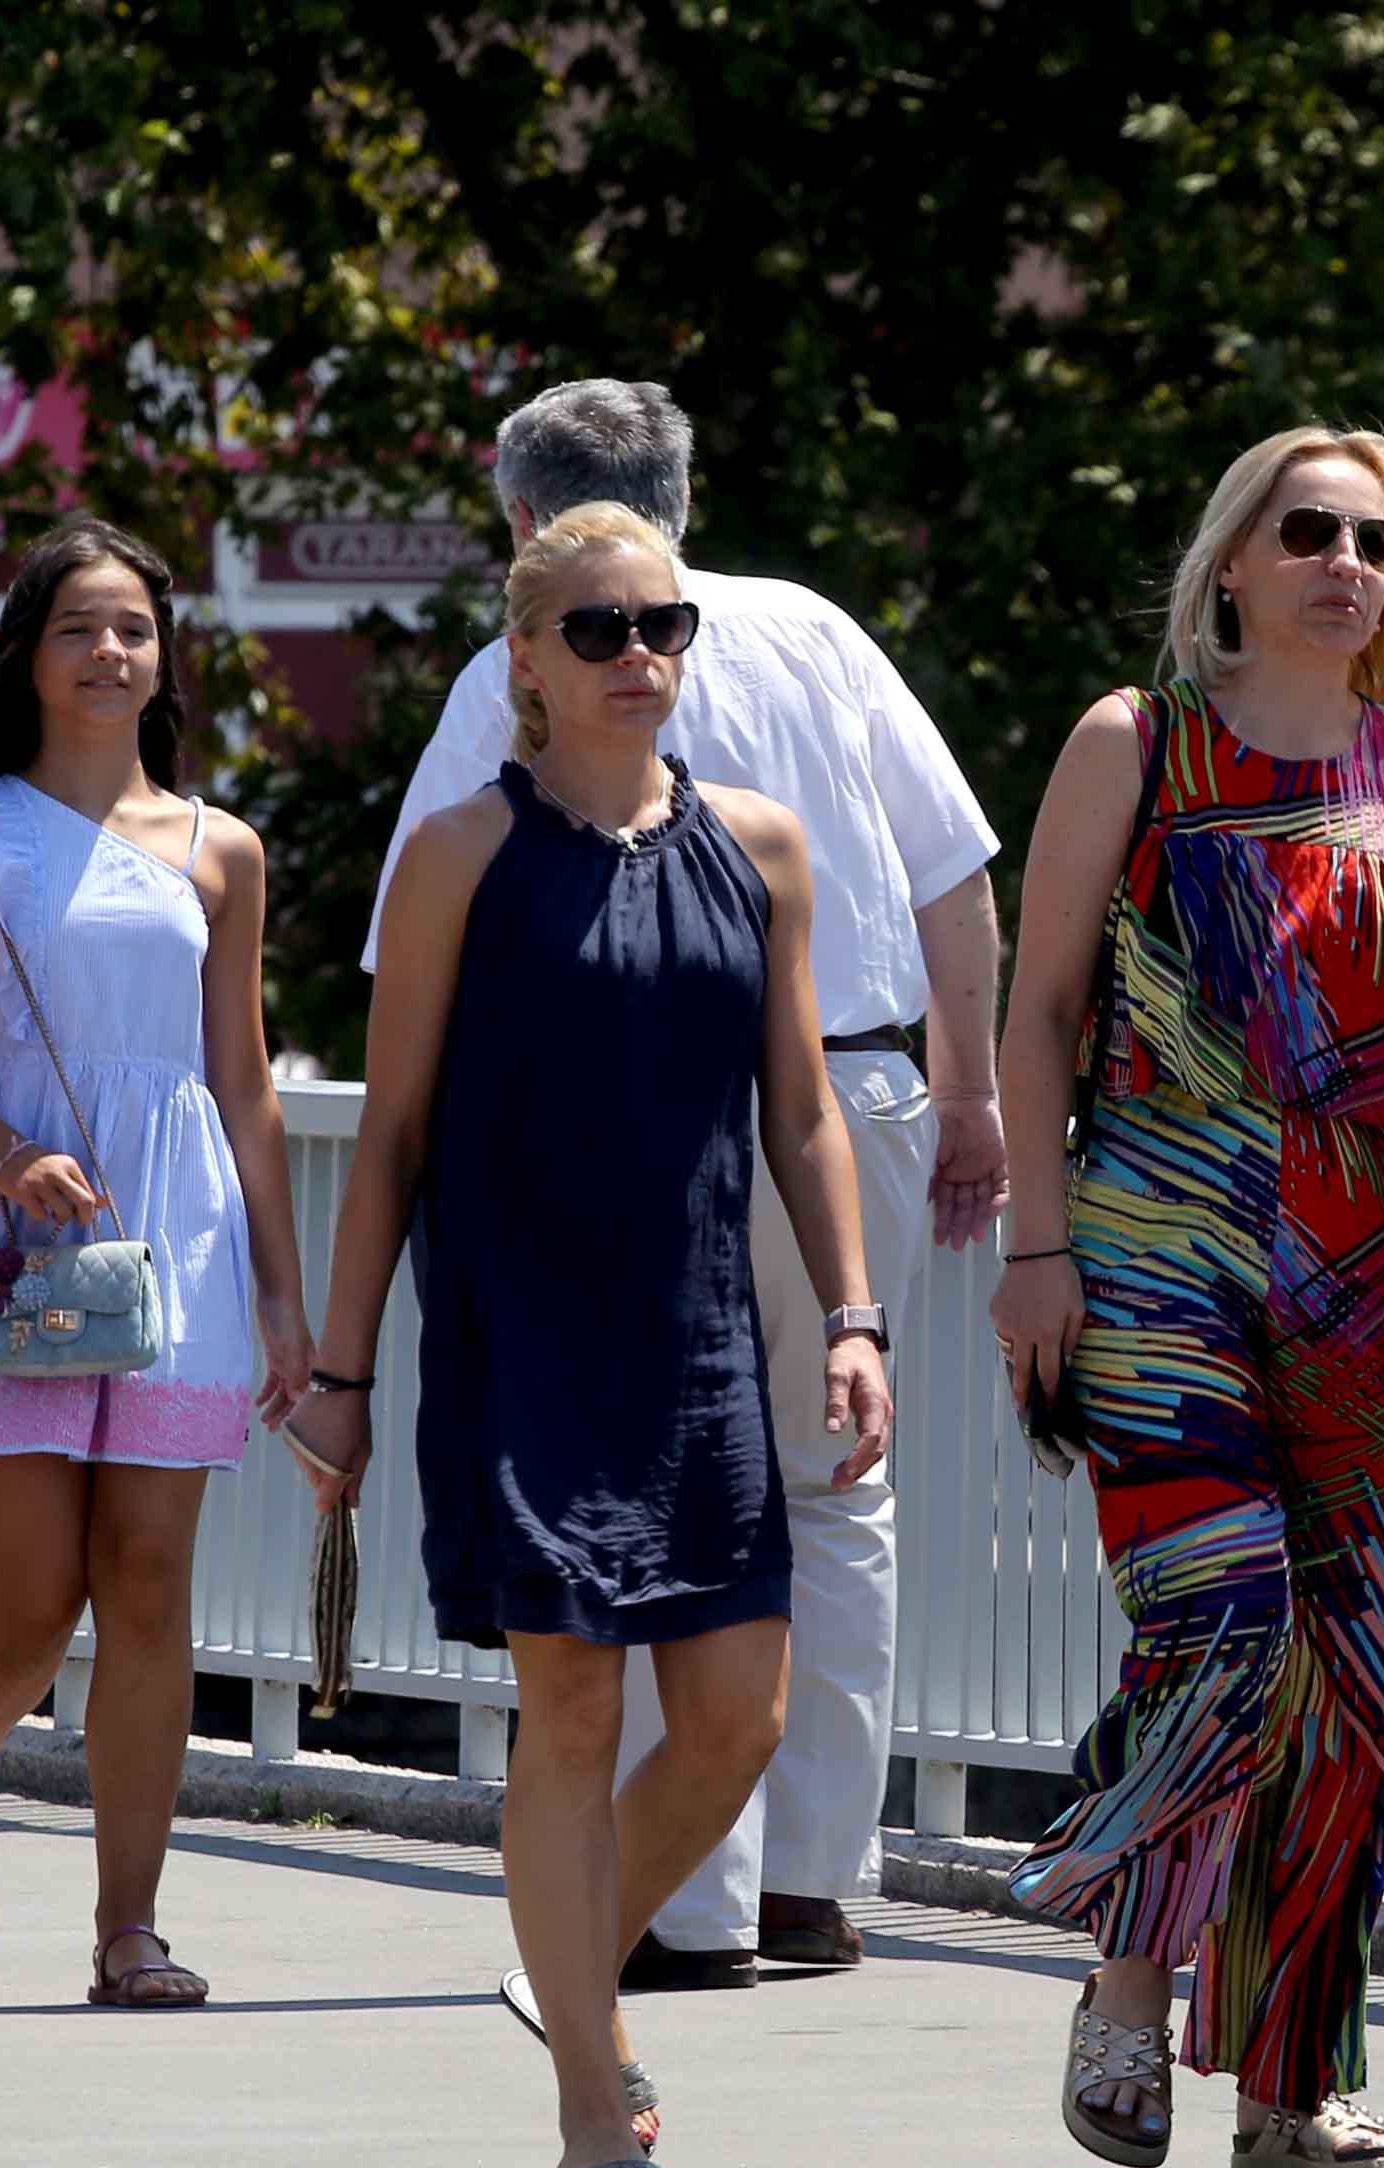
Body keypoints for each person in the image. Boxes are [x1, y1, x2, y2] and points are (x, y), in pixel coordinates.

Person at [296, 501, 892, 2168]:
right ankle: (587, 2087)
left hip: (705, 1336)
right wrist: (338, 1373)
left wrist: (848, 1317)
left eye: (667, 626)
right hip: (522, 1329)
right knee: (566, 1709)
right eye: (601, 630)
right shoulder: (463, 853)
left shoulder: (760, 846)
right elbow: (390, 1126)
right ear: (523, 664)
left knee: (737, 1722)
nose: (643, 657)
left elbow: (801, 1110)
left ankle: (561, 1966)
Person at [366, 380, 999, 1987]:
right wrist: (973, 1088)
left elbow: (411, 942)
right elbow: (954, 871)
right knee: (832, 1484)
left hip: (663, 1113)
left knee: (656, 1495)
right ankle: (813, 1873)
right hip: (859, 1077)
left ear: (523, 521)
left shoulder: (524, 651)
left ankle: (679, 1900)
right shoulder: (817, 628)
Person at [990, 426, 1384, 2168]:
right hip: (1157, 1236)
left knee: (1356, 1678)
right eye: (1304, 531)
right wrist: (1034, 1250)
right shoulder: (1136, 745)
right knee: (1220, 1627)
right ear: (1230, 561)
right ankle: (1125, 1984)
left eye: (1374, 538)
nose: (1341, 563)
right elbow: (1040, 1011)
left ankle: (1291, 2089)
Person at [0, 519, 314, 2006]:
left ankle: (130, 1926)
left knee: (147, 1578)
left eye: (133, 627)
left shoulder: (219, 846)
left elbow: (243, 1082)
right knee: (36, 1592)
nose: (111, 652)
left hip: (176, 1233)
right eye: (79, 628)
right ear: (27, 655)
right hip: (26, 1234)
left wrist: (283, 1294)